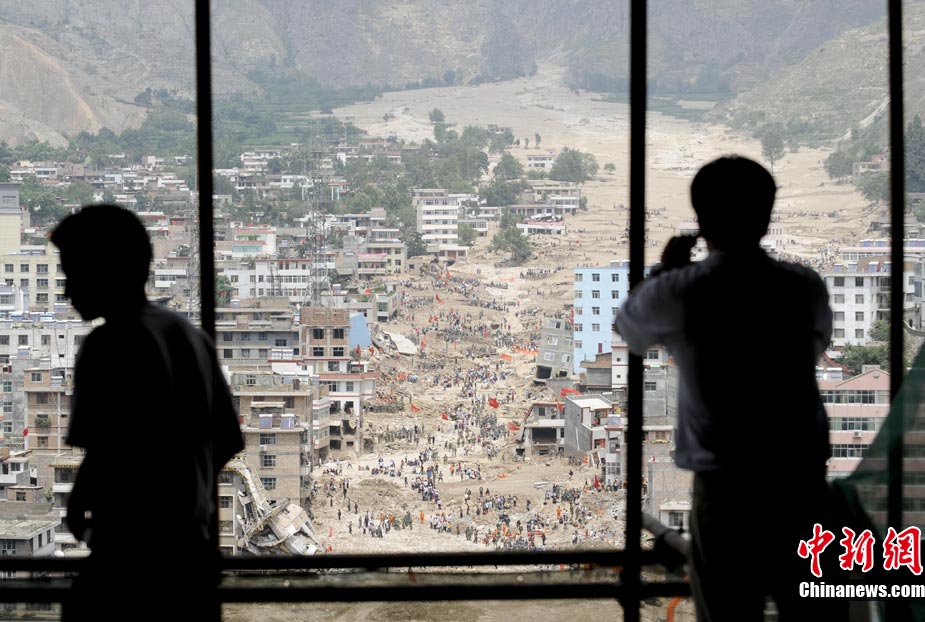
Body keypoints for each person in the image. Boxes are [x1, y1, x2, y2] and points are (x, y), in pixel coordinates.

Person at [614, 157, 842, 621]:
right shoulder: (803, 286)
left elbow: (629, 328)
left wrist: (665, 269)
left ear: (701, 221)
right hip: (801, 484)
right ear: (766, 215)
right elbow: (818, 344)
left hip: (726, 491)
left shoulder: (683, 290)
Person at [52, 205, 244, 621]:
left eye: (73, 274)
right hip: (190, 560)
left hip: (129, 564)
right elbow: (228, 441)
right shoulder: (191, 336)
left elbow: (105, 451)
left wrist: (84, 510)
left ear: (106, 270)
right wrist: (187, 493)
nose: (68, 291)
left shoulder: (108, 345)